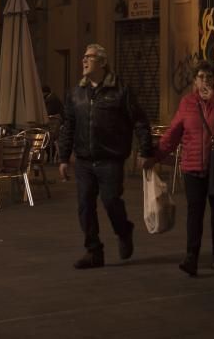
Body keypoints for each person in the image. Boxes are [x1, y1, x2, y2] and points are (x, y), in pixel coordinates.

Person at [144, 60, 214, 277]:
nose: (205, 81)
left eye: (209, 77)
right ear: (195, 81)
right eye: (201, 77)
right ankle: (192, 257)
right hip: (192, 166)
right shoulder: (187, 103)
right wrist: (156, 155)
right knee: (194, 213)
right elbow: (173, 132)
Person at [58, 43, 153, 269]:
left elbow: (139, 120)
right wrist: (63, 158)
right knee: (85, 206)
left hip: (110, 159)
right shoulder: (75, 94)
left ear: (102, 63)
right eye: (83, 57)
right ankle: (94, 251)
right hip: (84, 161)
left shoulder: (121, 90)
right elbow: (68, 126)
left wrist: (146, 150)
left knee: (111, 201)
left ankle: (124, 230)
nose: (84, 61)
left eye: (89, 57)